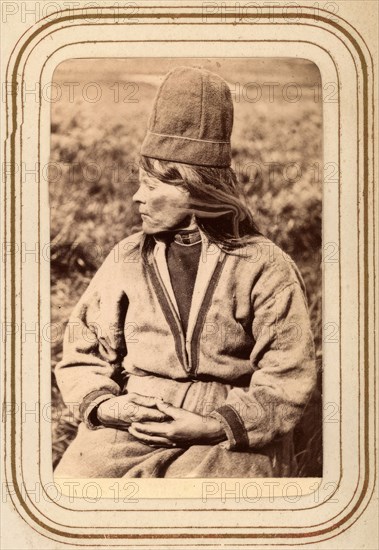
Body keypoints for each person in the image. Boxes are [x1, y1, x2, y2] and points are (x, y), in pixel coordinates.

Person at [54, 66, 316, 478]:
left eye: (154, 186)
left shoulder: (265, 266)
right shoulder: (126, 258)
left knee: (208, 513)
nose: (138, 197)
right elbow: (81, 349)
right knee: (72, 491)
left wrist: (213, 425)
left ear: (196, 189)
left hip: (229, 423)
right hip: (137, 417)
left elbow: (287, 378)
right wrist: (106, 406)